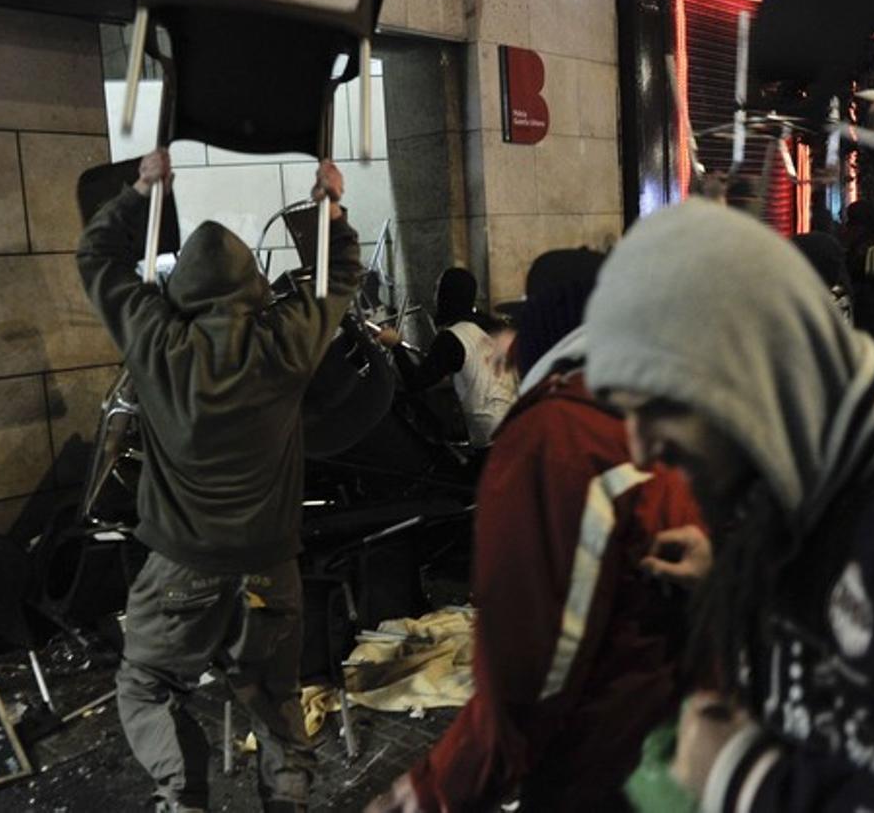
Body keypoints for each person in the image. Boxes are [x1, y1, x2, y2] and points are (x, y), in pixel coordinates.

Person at [585, 198, 874, 812]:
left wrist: (737, 776)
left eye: (662, 403)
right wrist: (740, 581)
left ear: (753, 371)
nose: (641, 446)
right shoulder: (798, 478)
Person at [366, 249, 709, 813]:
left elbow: (531, 676)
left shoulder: (557, 442)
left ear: (546, 327)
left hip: (603, 769)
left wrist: (427, 795)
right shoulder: (664, 410)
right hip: (679, 753)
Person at [76, 148, 361, 813]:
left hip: (181, 564)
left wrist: (141, 194)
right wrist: (331, 209)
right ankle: (286, 802)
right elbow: (338, 274)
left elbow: (96, 260)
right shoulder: (286, 340)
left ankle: (186, 795)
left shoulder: (155, 339)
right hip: (271, 566)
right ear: (254, 285)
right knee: (274, 694)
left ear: (182, 291)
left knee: (146, 683)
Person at [375, 267, 517, 448]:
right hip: (518, 422)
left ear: (447, 295)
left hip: (490, 434)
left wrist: (395, 345)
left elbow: (415, 382)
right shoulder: (491, 326)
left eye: (437, 289)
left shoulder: (452, 337)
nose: (434, 296)